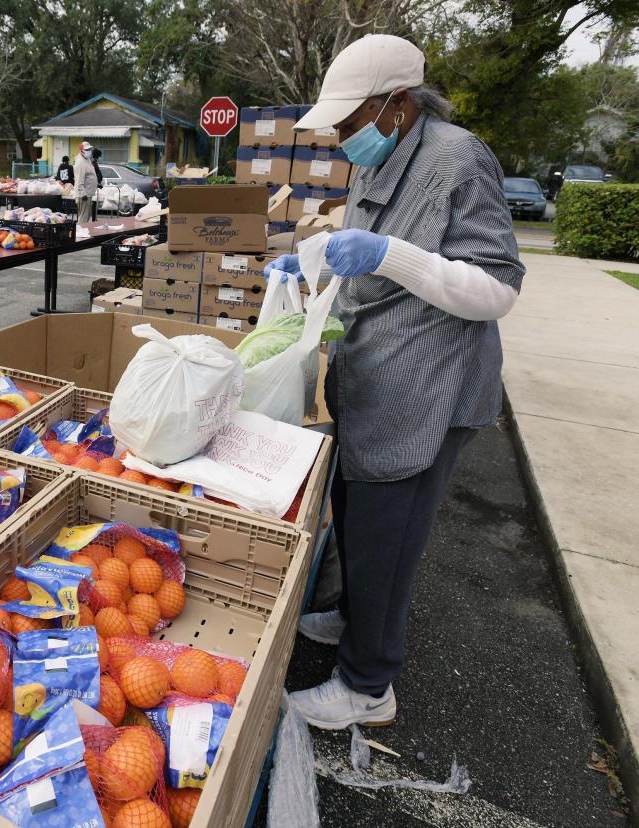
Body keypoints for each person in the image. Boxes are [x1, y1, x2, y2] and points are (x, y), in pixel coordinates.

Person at [265, 35, 524, 731]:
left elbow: (497, 288)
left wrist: (389, 254)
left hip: (430, 388)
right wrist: (310, 265)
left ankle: (368, 683)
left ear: (400, 107)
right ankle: (354, 617)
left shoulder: (457, 160)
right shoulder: (383, 160)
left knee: (388, 532)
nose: (347, 139)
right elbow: (361, 243)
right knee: (351, 506)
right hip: (377, 372)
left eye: (353, 125)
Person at [72, 142, 98, 226]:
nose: (89, 151)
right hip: (84, 195)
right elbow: (79, 180)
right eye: (87, 150)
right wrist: (83, 193)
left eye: (90, 149)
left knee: (86, 216)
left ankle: (82, 232)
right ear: (81, 151)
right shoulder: (80, 162)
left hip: (88, 193)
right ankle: (80, 234)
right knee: (83, 218)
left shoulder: (87, 160)